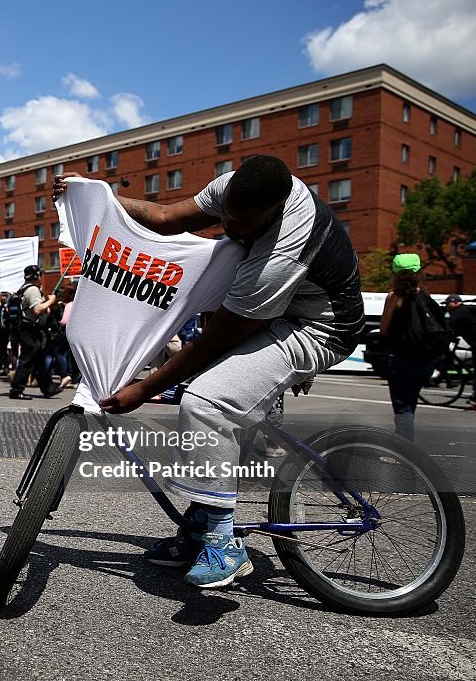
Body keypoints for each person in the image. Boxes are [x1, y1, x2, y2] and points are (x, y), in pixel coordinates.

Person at [54, 154, 364, 588]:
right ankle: (200, 526)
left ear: (274, 213)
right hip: (280, 313)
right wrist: (98, 193)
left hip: (320, 327)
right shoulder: (237, 189)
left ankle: (223, 541)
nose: (230, 230)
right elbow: (165, 217)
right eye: (227, 218)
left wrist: (144, 389)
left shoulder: (279, 256)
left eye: (244, 225)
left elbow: (214, 340)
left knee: (206, 401)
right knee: (215, 400)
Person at [380, 253, 445, 440]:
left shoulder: (394, 297)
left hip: (402, 358)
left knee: (402, 407)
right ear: (418, 272)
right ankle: (405, 443)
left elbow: (384, 328)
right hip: (426, 360)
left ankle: (405, 450)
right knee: (411, 403)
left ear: (395, 272)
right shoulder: (425, 295)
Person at [8, 266, 63, 401]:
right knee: (27, 359)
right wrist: (51, 301)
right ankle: (16, 389)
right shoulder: (32, 290)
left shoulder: (24, 288)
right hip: (29, 329)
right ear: (36, 276)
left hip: (26, 328)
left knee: (38, 359)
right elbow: (38, 310)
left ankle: (48, 388)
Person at [443, 294, 476, 407]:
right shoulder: (466, 310)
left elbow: (450, 330)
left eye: (448, 303)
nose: (447, 306)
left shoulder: (458, 313)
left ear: (456, 303)